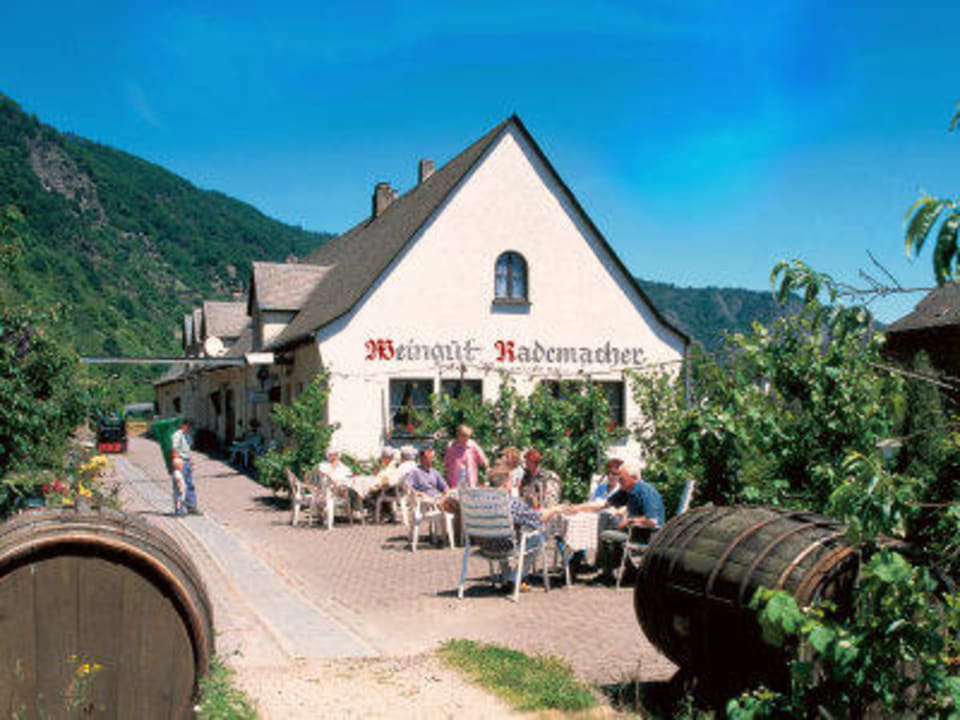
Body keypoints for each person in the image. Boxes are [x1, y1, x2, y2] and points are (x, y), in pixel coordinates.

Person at [594, 461, 665, 584]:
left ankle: (609, 574)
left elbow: (652, 521)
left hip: (649, 534)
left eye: (621, 478)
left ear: (634, 478)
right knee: (612, 531)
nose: (618, 481)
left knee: (606, 536)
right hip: (635, 531)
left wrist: (629, 521)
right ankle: (630, 570)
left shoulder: (646, 492)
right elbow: (604, 504)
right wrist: (576, 508)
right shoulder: (627, 490)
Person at [443, 424, 488, 489]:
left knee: (469, 495)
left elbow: (482, 457)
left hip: (470, 477)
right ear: (458, 435)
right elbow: (446, 462)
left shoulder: (472, 445)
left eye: (467, 436)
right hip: (456, 476)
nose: (465, 438)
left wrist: (485, 464)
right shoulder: (452, 446)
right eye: (463, 436)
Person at [170, 418, 199, 514]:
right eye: (188, 426)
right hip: (180, 461)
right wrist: (175, 460)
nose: (190, 428)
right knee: (180, 486)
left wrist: (191, 461)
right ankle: (179, 509)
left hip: (186, 461)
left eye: (191, 426)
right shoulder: (177, 435)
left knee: (189, 484)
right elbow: (174, 448)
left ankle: (191, 506)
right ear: (183, 425)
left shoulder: (187, 436)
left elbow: (188, 449)